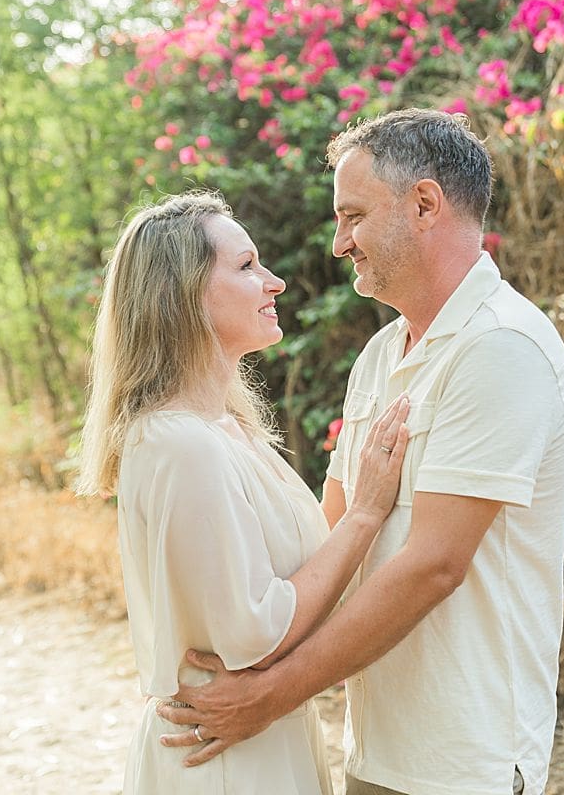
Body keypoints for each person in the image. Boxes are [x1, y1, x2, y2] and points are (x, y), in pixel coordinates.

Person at [157, 109, 564, 794]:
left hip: (462, 759)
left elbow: (433, 566)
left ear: (423, 205)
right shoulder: (381, 356)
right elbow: (334, 530)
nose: (338, 243)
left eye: (351, 216)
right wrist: (242, 638)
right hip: (374, 747)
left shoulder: (502, 347)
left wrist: (271, 695)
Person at [74, 191, 411, 795]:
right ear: (182, 296)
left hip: (260, 743)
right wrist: (364, 515)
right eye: (246, 266)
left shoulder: (228, 431)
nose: (274, 282)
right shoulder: (181, 444)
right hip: (224, 763)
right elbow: (256, 637)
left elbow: (295, 582)